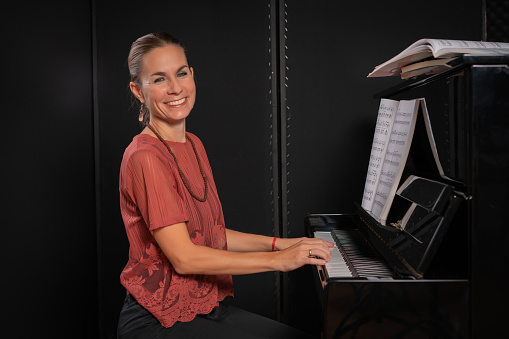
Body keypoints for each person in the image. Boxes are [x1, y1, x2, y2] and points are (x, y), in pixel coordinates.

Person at [117, 32, 333, 339]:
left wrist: (283, 244)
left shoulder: (193, 144)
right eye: (159, 79)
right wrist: (279, 261)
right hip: (155, 320)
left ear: (192, 75)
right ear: (139, 90)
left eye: (181, 73)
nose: (176, 88)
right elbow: (185, 256)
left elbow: (212, 235)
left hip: (206, 306)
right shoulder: (145, 157)